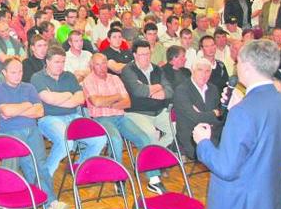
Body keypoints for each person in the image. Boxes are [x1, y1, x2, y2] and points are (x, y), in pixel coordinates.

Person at [193, 39, 281, 209]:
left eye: (238, 60)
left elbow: (227, 168)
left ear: (248, 66)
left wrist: (204, 143)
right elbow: (265, 147)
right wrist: (239, 105)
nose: (235, 65)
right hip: (267, 208)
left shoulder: (244, 113)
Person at [0, 58, 67, 209]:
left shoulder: (29, 87)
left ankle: (50, 203)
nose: (18, 75)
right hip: (11, 132)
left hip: (32, 130)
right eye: (13, 72)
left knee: (40, 165)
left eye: (20, 71)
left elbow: (39, 111)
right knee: (19, 164)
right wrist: (27, 105)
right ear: (4, 73)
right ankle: (5, 203)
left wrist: (16, 109)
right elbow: (5, 110)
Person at [82, 53, 164, 192]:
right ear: (91, 66)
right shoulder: (88, 81)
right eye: (97, 64)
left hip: (121, 117)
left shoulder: (115, 78)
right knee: (116, 139)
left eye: (104, 63)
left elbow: (127, 102)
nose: (102, 67)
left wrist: (109, 103)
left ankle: (154, 179)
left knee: (144, 138)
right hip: (101, 119)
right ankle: (117, 176)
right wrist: (117, 97)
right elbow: (96, 102)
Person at [31, 46, 106, 177]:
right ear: (47, 62)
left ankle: (78, 167)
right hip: (48, 118)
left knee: (100, 138)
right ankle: (45, 175)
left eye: (63, 62)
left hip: (73, 116)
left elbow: (80, 98)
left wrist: (58, 98)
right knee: (66, 142)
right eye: (57, 62)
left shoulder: (69, 76)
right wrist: (68, 94)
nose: (60, 66)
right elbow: (48, 98)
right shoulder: (37, 77)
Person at [120, 40, 174, 151]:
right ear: (135, 55)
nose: (146, 57)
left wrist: (161, 92)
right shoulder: (128, 70)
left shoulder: (157, 69)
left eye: (148, 54)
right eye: (142, 54)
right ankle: (153, 162)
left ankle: (155, 155)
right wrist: (159, 86)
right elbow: (138, 91)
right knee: (151, 134)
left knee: (175, 130)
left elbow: (169, 89)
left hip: (159, 111)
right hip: (137, 113)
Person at [172, 59, 223, 160]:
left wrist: (205, 114)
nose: (204, 74)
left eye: (207, 71)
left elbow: (221, 115)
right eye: (200, 70)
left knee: (237, 147)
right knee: (221, 156)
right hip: (192, 136)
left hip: (214, 132)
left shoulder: (213, 89)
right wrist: (214, 113)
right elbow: (196, 118)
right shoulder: (182, 90)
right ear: (192, 71)